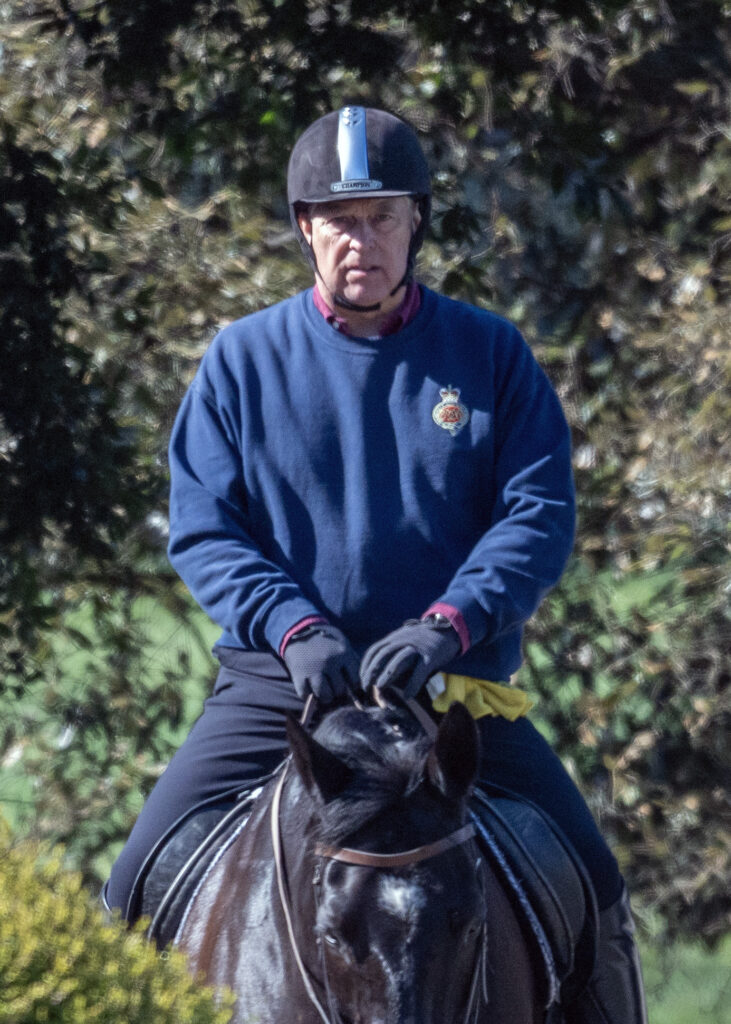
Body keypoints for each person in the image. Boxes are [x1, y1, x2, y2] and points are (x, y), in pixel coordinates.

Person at [106, 105, 646, 1023]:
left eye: (383, 218)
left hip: (447, 695)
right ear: (306, 230)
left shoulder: (491, 355)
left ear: (416, 225)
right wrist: (293, 627)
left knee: (593, 888)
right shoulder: (239, 363)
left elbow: (537, 515)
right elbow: (204, 528)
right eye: (341, 222)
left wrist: (450, 624)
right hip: (281, 689)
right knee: (129, 888)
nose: (363, 242)